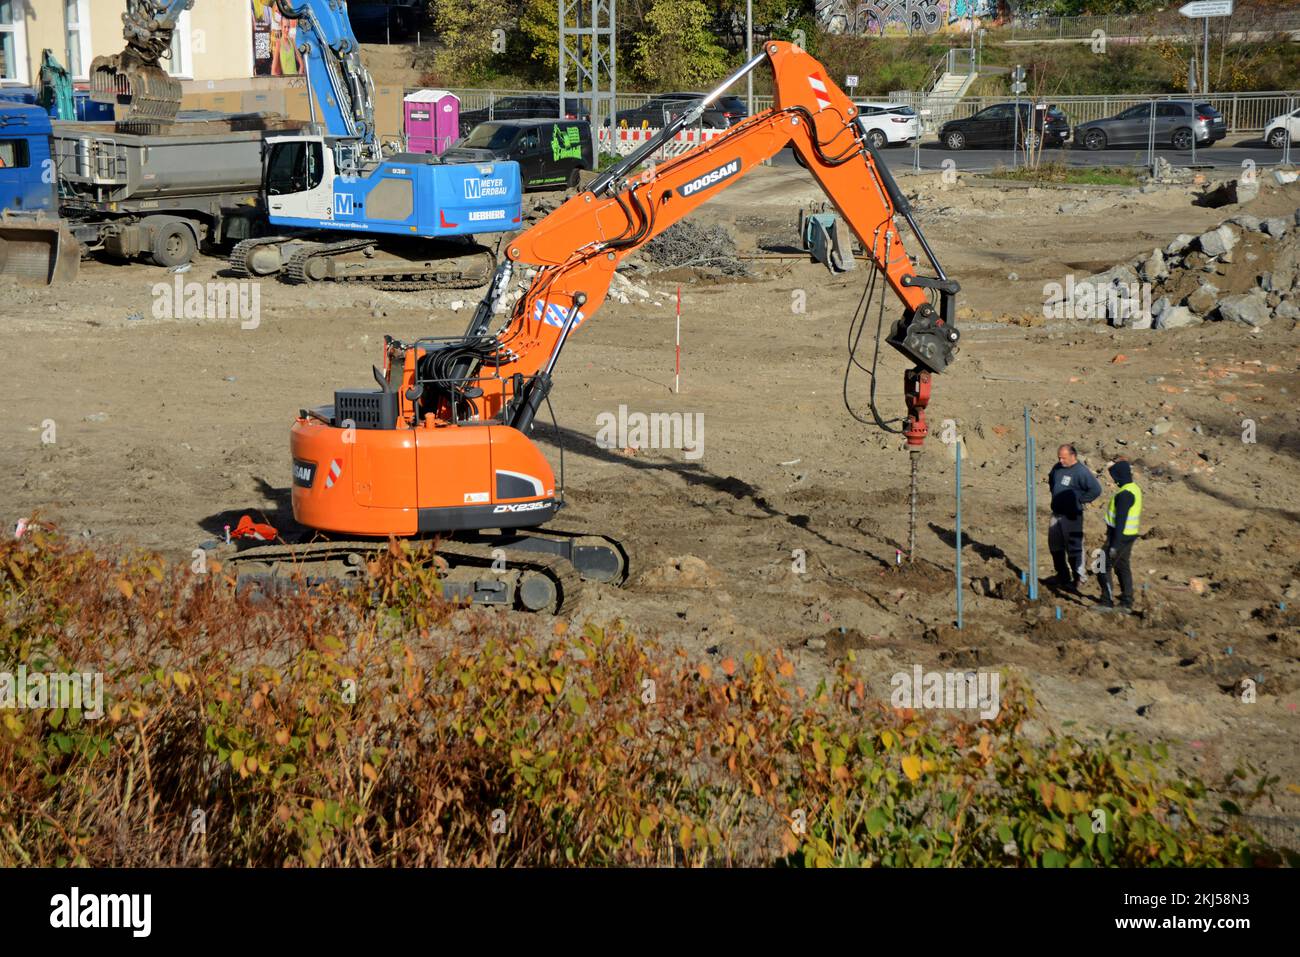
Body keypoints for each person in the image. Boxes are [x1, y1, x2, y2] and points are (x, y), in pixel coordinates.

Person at [1046, 443, 1102, 593]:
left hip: (1072, 516)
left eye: (1063, 458)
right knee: (1055, 546)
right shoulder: (1057, 468)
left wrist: (1079, 500)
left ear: (1073, 456)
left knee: (1074, 547)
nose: (1061, 461)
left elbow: (1096, 489)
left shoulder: (1081, 472)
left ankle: (1079, 578)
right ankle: (1062, 575)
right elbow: (1052, 481)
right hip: (1056, 513)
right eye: (1059, 458)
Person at [1097, 458, 1142, 612]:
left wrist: (1114, 545)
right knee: (1122, 565)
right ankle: (1126, 601)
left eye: (1114, 476)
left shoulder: (1125, 494)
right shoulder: (1133, 488)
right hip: (1129, 535)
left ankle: (1106, 601)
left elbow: (1121, 521)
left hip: (1120, 537)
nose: (1113, 480)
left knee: (1101, 565)